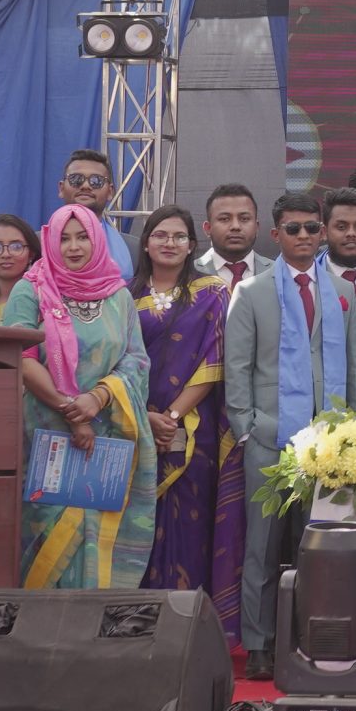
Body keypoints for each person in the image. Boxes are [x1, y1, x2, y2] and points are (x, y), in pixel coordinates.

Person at [227, 190, 356, 676]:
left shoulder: (341, 292)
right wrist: (248, 429)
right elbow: (237, 371)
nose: (303, 236)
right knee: (262, 546)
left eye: (311, 228)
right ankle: (259, 643)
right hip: (270, 438)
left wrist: (355, 430)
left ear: (322, 233)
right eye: (292, 229)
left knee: (320, 547)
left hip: (332, 443)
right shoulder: (252, 292)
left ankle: (310, 637)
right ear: (275, 234)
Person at [9, 205, 156, 591]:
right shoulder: (31, 289)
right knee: (48, 534)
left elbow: (136, 360)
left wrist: (99, 397)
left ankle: (94, 625)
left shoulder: (118, 296)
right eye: (64, 238)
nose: (73, 247)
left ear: (98, 239)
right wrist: (72, 412)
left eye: (83, 237)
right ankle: (43, 627)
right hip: (46, 436)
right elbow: (21, 358)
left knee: (97, 537)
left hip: (108, 436)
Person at [132, 204, 244, 646]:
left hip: (193, 431)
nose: (169, 243)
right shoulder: (123, 296)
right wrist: (144, 417)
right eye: (160, 235)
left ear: (192, 245)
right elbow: (117, 361)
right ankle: (137, 627)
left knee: (190, 527)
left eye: (179, 236)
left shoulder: (211, 292)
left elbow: (215, 359)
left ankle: (187, 635)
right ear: (146, 243)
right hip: (134, 427)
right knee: (139, 526)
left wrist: (172, 417)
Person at [56, 149, 136, 279]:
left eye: (96, 181)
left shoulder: (134, 249)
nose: (86, 186)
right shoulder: (37, 244)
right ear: (61, 188)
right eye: (76, 179)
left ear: (110, 192)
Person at [197, 183, 273, 286]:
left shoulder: (278, 272)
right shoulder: (187, 273)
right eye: (224, 219)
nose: (235, 226)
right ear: (208, 228)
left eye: (244, 219)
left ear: (256, 227)